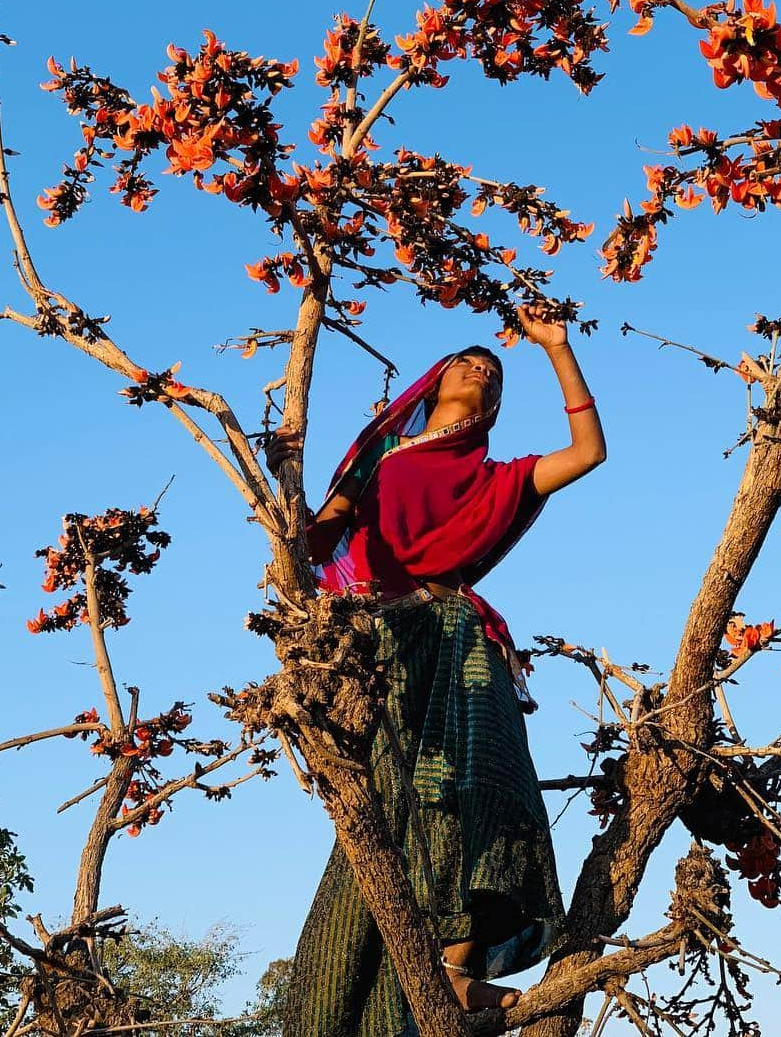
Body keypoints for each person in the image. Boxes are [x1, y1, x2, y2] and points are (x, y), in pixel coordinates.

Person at [269, 305, 606, 1031]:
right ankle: (384, 995)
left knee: (469, 788)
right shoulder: (379, 453)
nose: (481, 372)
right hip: (381, 648)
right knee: (395, 809)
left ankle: (458, 969)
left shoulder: (498, 477)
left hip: (457, 637)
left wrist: (555, 348)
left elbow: (586, 454)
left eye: (494, 374)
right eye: (468, 363)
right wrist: (282, 488)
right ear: (435, 380)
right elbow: (317, 534)